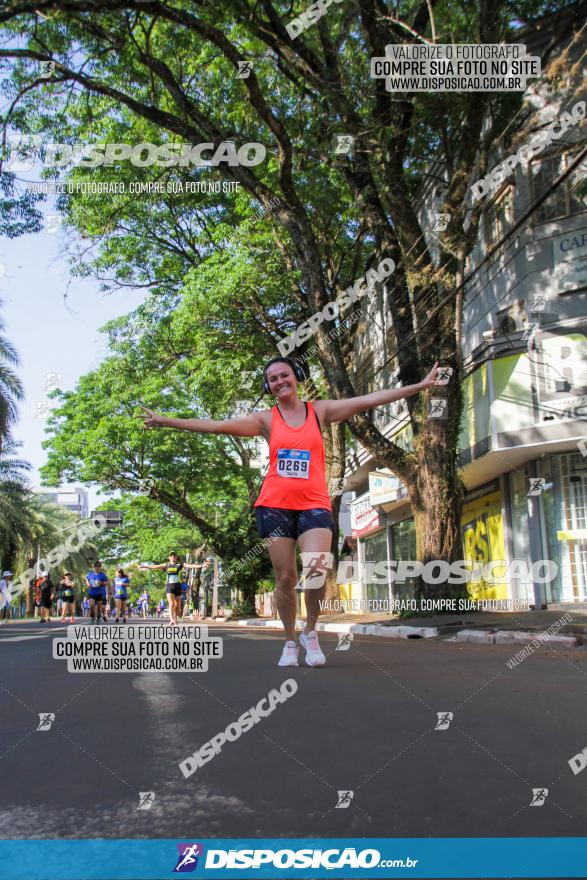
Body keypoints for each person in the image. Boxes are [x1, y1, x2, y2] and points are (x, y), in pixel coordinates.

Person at [140, 356, 439, 666]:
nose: (279, 381)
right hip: (274, 506)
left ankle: (310, 631)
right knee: (285, 577)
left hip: (314, 503)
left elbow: (366, 400)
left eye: (284, 375)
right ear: (268, 387)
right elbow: (216, 426)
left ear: (296, 377)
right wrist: (166, 420)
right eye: (272, 379)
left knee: (316, 569)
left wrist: (419, 385)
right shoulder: (265, 420)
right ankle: (289, 642)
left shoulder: (319, 411)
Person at [139, 553, 202, 626]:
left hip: (178, 586)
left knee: (178, 606)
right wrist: (144, 566)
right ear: (169, 557)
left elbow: (191, 566)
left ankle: (176, 619)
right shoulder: (166, 565)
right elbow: (154, 566)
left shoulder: (180, 564)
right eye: (171, 556)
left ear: (176, 557)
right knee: (171, 603)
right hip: (169, 586)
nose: (173, 557)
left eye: (174, 555)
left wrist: (202, 565)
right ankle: (172, 620)